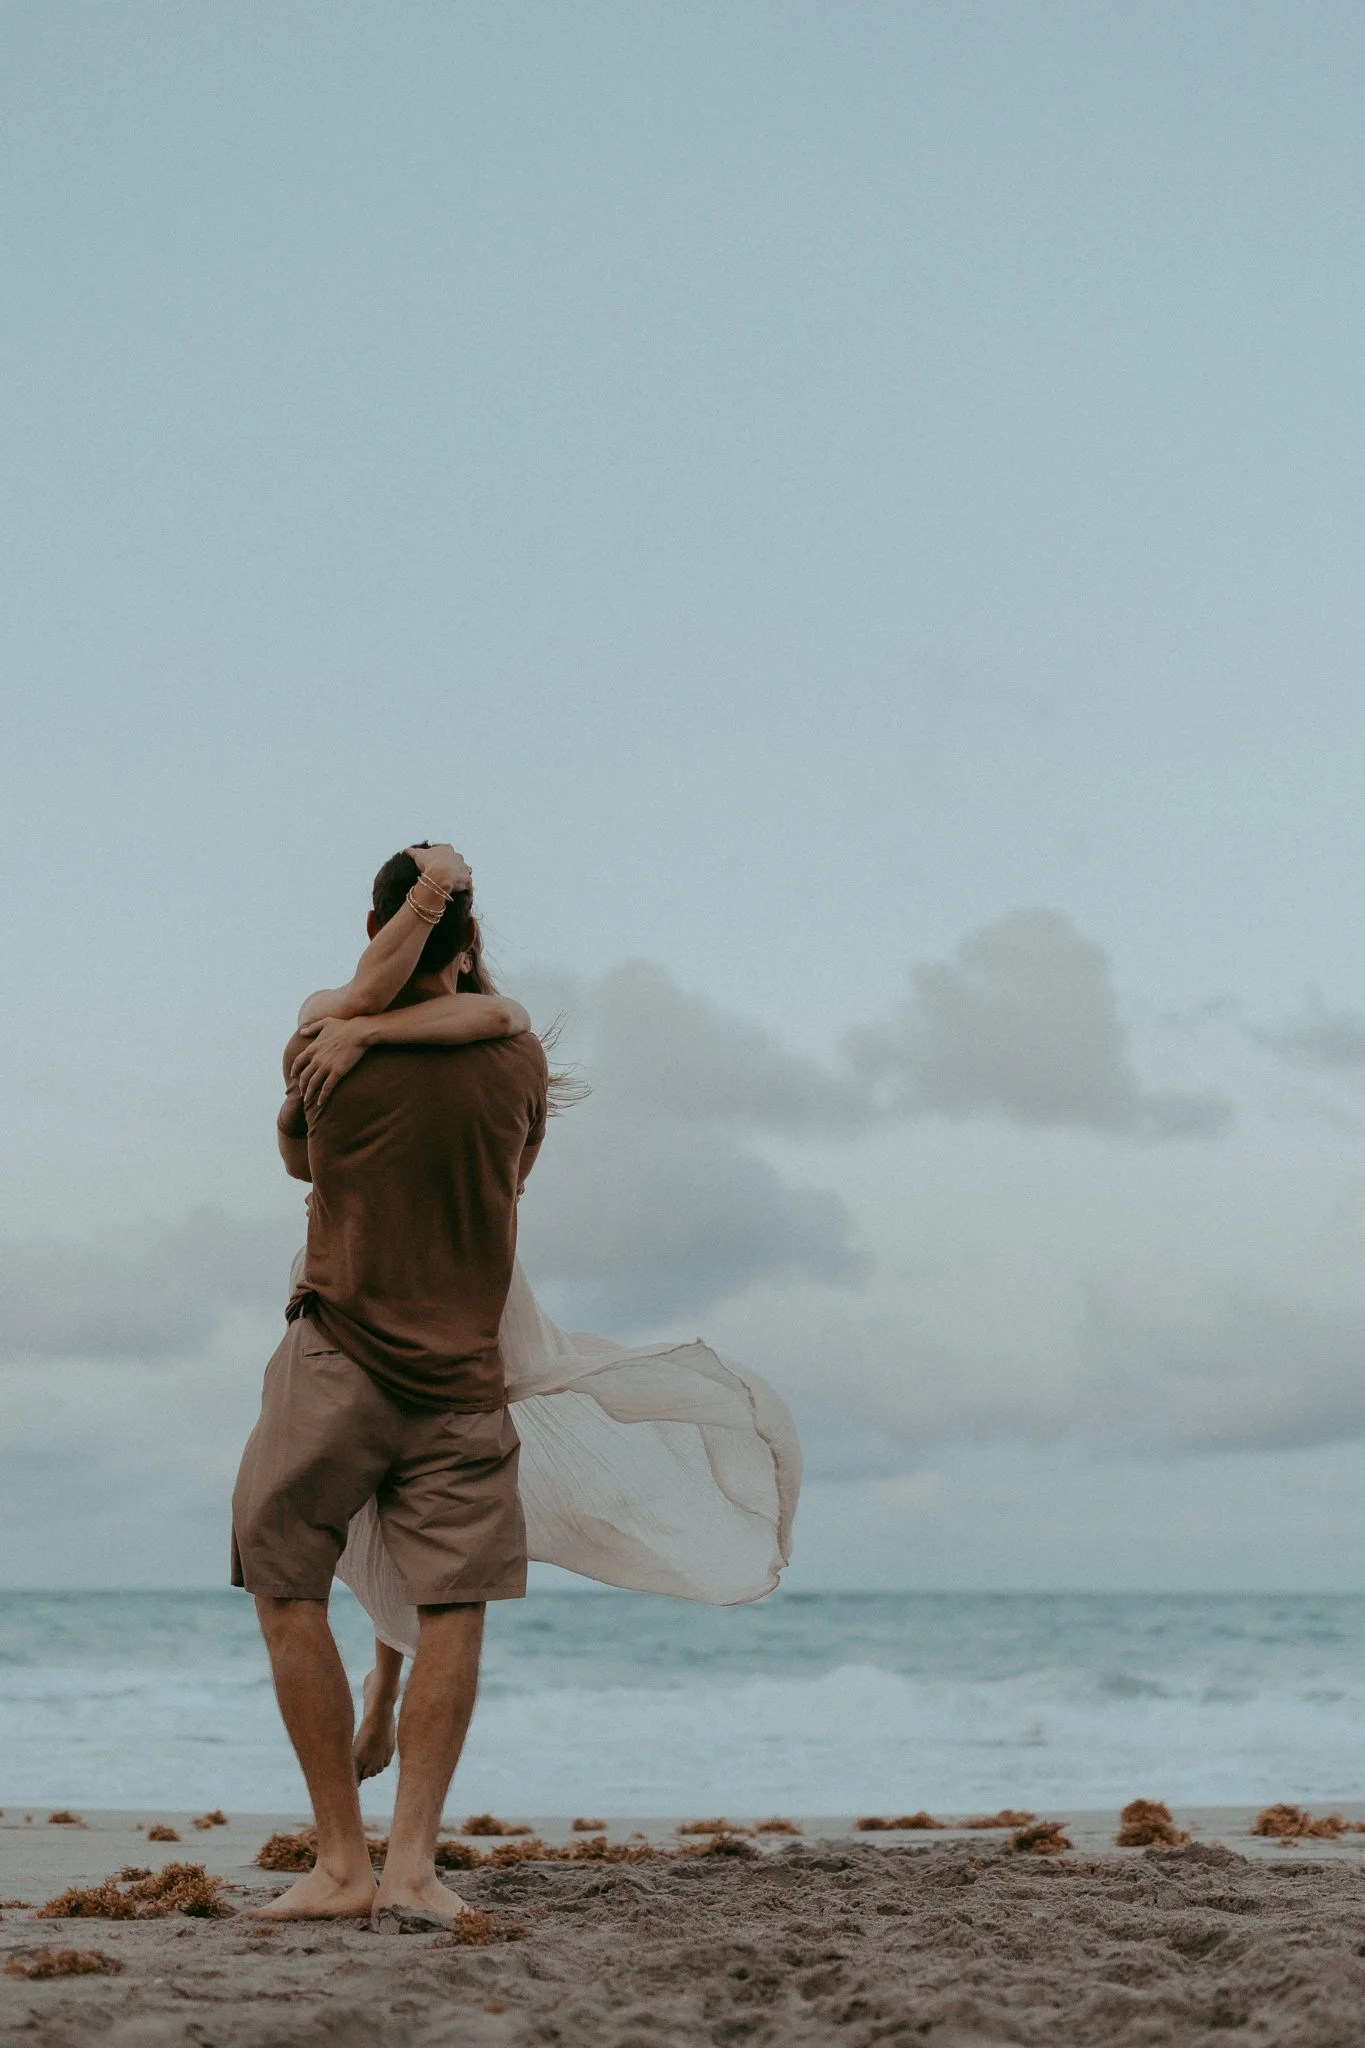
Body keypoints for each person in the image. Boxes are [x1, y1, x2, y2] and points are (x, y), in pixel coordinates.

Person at [232, 843, 546, 1928]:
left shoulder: (323, 1046)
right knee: (455, 1603)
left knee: (284, 1574)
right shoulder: (519, 1062)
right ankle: (413, 1863)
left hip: (342, 1356)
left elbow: (301, 1162)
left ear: (374, 935)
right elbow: (514, 1169)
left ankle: (341, 1860)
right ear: (469, 952)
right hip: (464, 1371)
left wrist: (358, 1038)